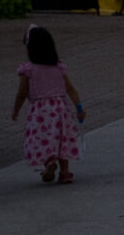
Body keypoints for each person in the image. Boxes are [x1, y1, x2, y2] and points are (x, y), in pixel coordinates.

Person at [9, 25, 84, 186]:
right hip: (60, 109)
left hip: (40, 112)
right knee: (61, 140)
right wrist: (79, 107)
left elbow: (22, 93)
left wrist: (16, 109)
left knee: (43, 139)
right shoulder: (58, 67)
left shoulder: (28, 69)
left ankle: (49, 163)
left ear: (30, 49)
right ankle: (65, 172)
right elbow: (70, 89)